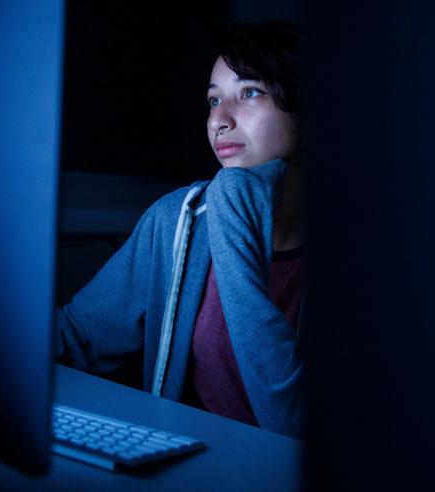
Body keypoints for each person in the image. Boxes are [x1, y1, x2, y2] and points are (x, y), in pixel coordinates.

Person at [55, 20, 306, 439]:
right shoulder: (175, 220)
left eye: (249, 92)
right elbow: (78, 337)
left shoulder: (365, 249)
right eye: (212, 100)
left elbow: (294, 424)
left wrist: (232, 201)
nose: (219, 120)